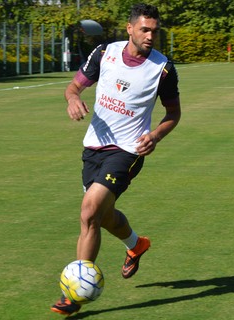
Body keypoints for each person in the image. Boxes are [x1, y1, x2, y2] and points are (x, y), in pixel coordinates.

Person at [51, 3, 181, 316]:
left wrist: (155, 136)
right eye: (145, 29)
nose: (150, 36)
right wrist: (73, 99)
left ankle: (75, 295)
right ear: (130, 28)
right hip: (93, 147)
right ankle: (137, 244)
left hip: (128, 150)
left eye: (154, 31)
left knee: (90, 211)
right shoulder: (104, 53)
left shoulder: (162, 68)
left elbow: (173, 114)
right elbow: (73, 87)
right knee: (102, 217)